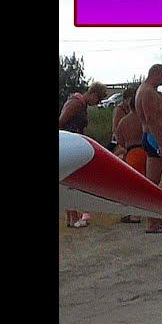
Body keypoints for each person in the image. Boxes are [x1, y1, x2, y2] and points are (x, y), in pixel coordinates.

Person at [59, 81, 108, 228]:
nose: (97, 103)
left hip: (73, 145)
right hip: (69, 146)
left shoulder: (80, 104)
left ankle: (71, 218)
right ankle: (74, 218)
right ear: (93, 94)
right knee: (72, 182)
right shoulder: (76, 104)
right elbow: (61, 122)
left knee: (70, 181)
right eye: (98, 99)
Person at [135, 64, 162, 233]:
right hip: (154, 138)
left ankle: (156, 217)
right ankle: (152, 222)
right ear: (157, 74)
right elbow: (151, 120)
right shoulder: (147, 92)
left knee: (155, 182)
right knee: (152, 182)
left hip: (157, 136)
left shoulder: (151, 91)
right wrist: (161, 145)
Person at [113, 87, 145, 223]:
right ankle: (153, 212)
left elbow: (119, 140)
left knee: (135, 186)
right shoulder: (143, 119)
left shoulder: (123, 122)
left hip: (132, 152)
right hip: (146, 151)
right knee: (150, 184)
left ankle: (135, 215)